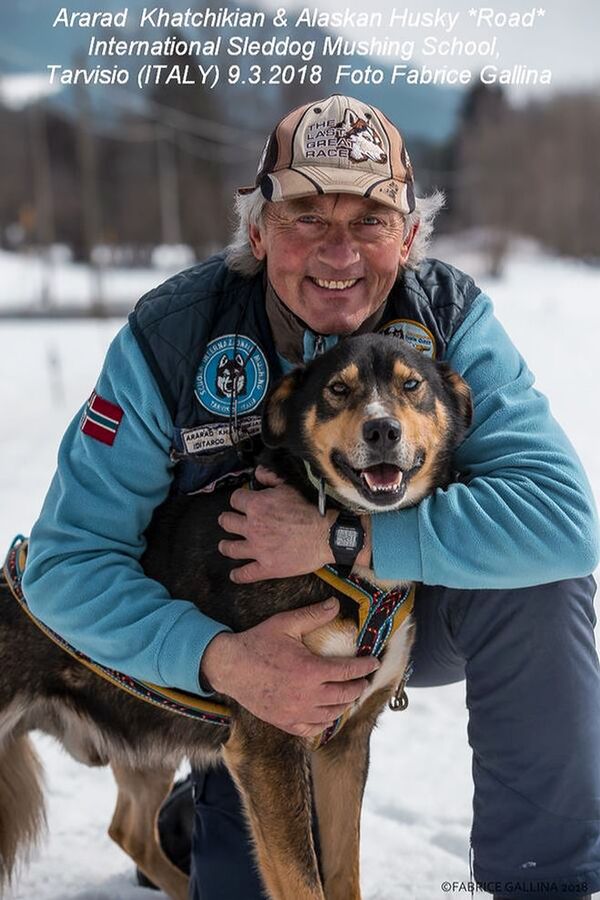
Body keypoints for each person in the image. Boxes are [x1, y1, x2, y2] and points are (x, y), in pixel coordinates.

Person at [22, 95, 599, 900]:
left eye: (369, 219)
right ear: (257, 231)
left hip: (412, 612)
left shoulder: (451, 319)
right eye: (305, 215)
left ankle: (547, 882)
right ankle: (200, 808)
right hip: (234, 646)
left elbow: (564, 523)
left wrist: (345, 542)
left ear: (409, 236)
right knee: (245, 868)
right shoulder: (173, 337)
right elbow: (63, 565)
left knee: (545, 581)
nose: (339, 251)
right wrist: (220, 660)